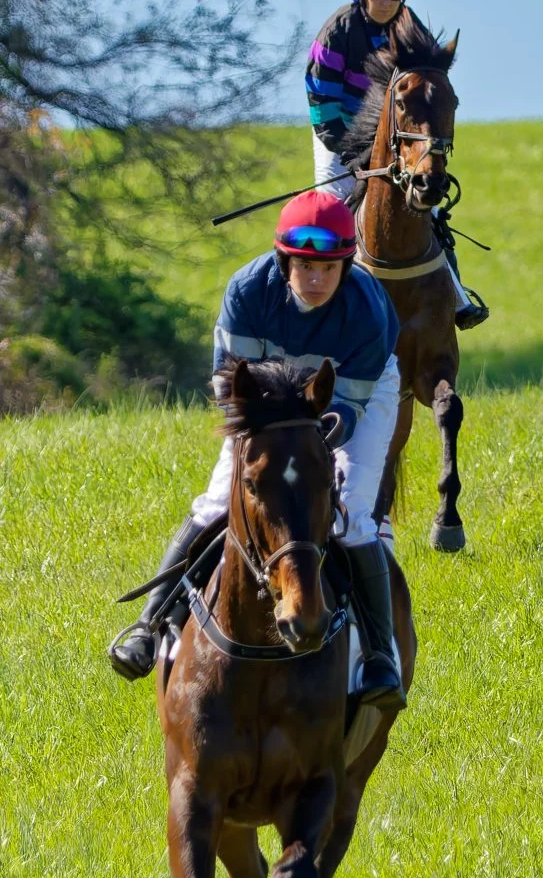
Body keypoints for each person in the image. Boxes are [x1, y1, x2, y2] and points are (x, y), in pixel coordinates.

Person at [107, 192, 407, 713]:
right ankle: (149, 624)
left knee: (353, 513)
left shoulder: (367, 309)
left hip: (353, 399)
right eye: (305, 267)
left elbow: (344, 414)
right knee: (215, 503)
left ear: (346, 265)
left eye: (330, 269)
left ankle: (380, 654)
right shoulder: (247, 291)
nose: (317, 280)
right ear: (283, 260)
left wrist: (309, 467)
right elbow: (232, 392)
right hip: (264, 410)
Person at [306, 0, 482, 329]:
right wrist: (351, 155)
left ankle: (455, 294)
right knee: (328, 209)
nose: (386, 0)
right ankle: (312, 308)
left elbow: (428, 90)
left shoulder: (411, 28)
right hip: (339, 132)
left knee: (429, 208)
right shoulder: (338, 30)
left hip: (395, 137)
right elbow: (321, 99)